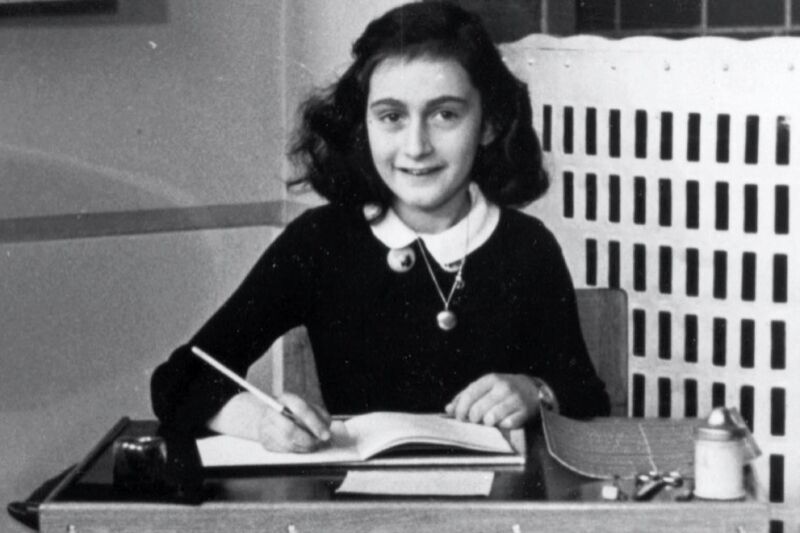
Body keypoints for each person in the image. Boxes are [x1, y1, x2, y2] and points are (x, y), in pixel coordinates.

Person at [151, 1, 610, 453]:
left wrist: (535, 391)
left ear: (489, 123)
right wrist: (260, 422)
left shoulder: (527, 247)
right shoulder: (319, 242)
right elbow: (179, 379)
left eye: (445, 114)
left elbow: (588, 398)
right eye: (391, 117)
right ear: (363, 126)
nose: (416, 146)